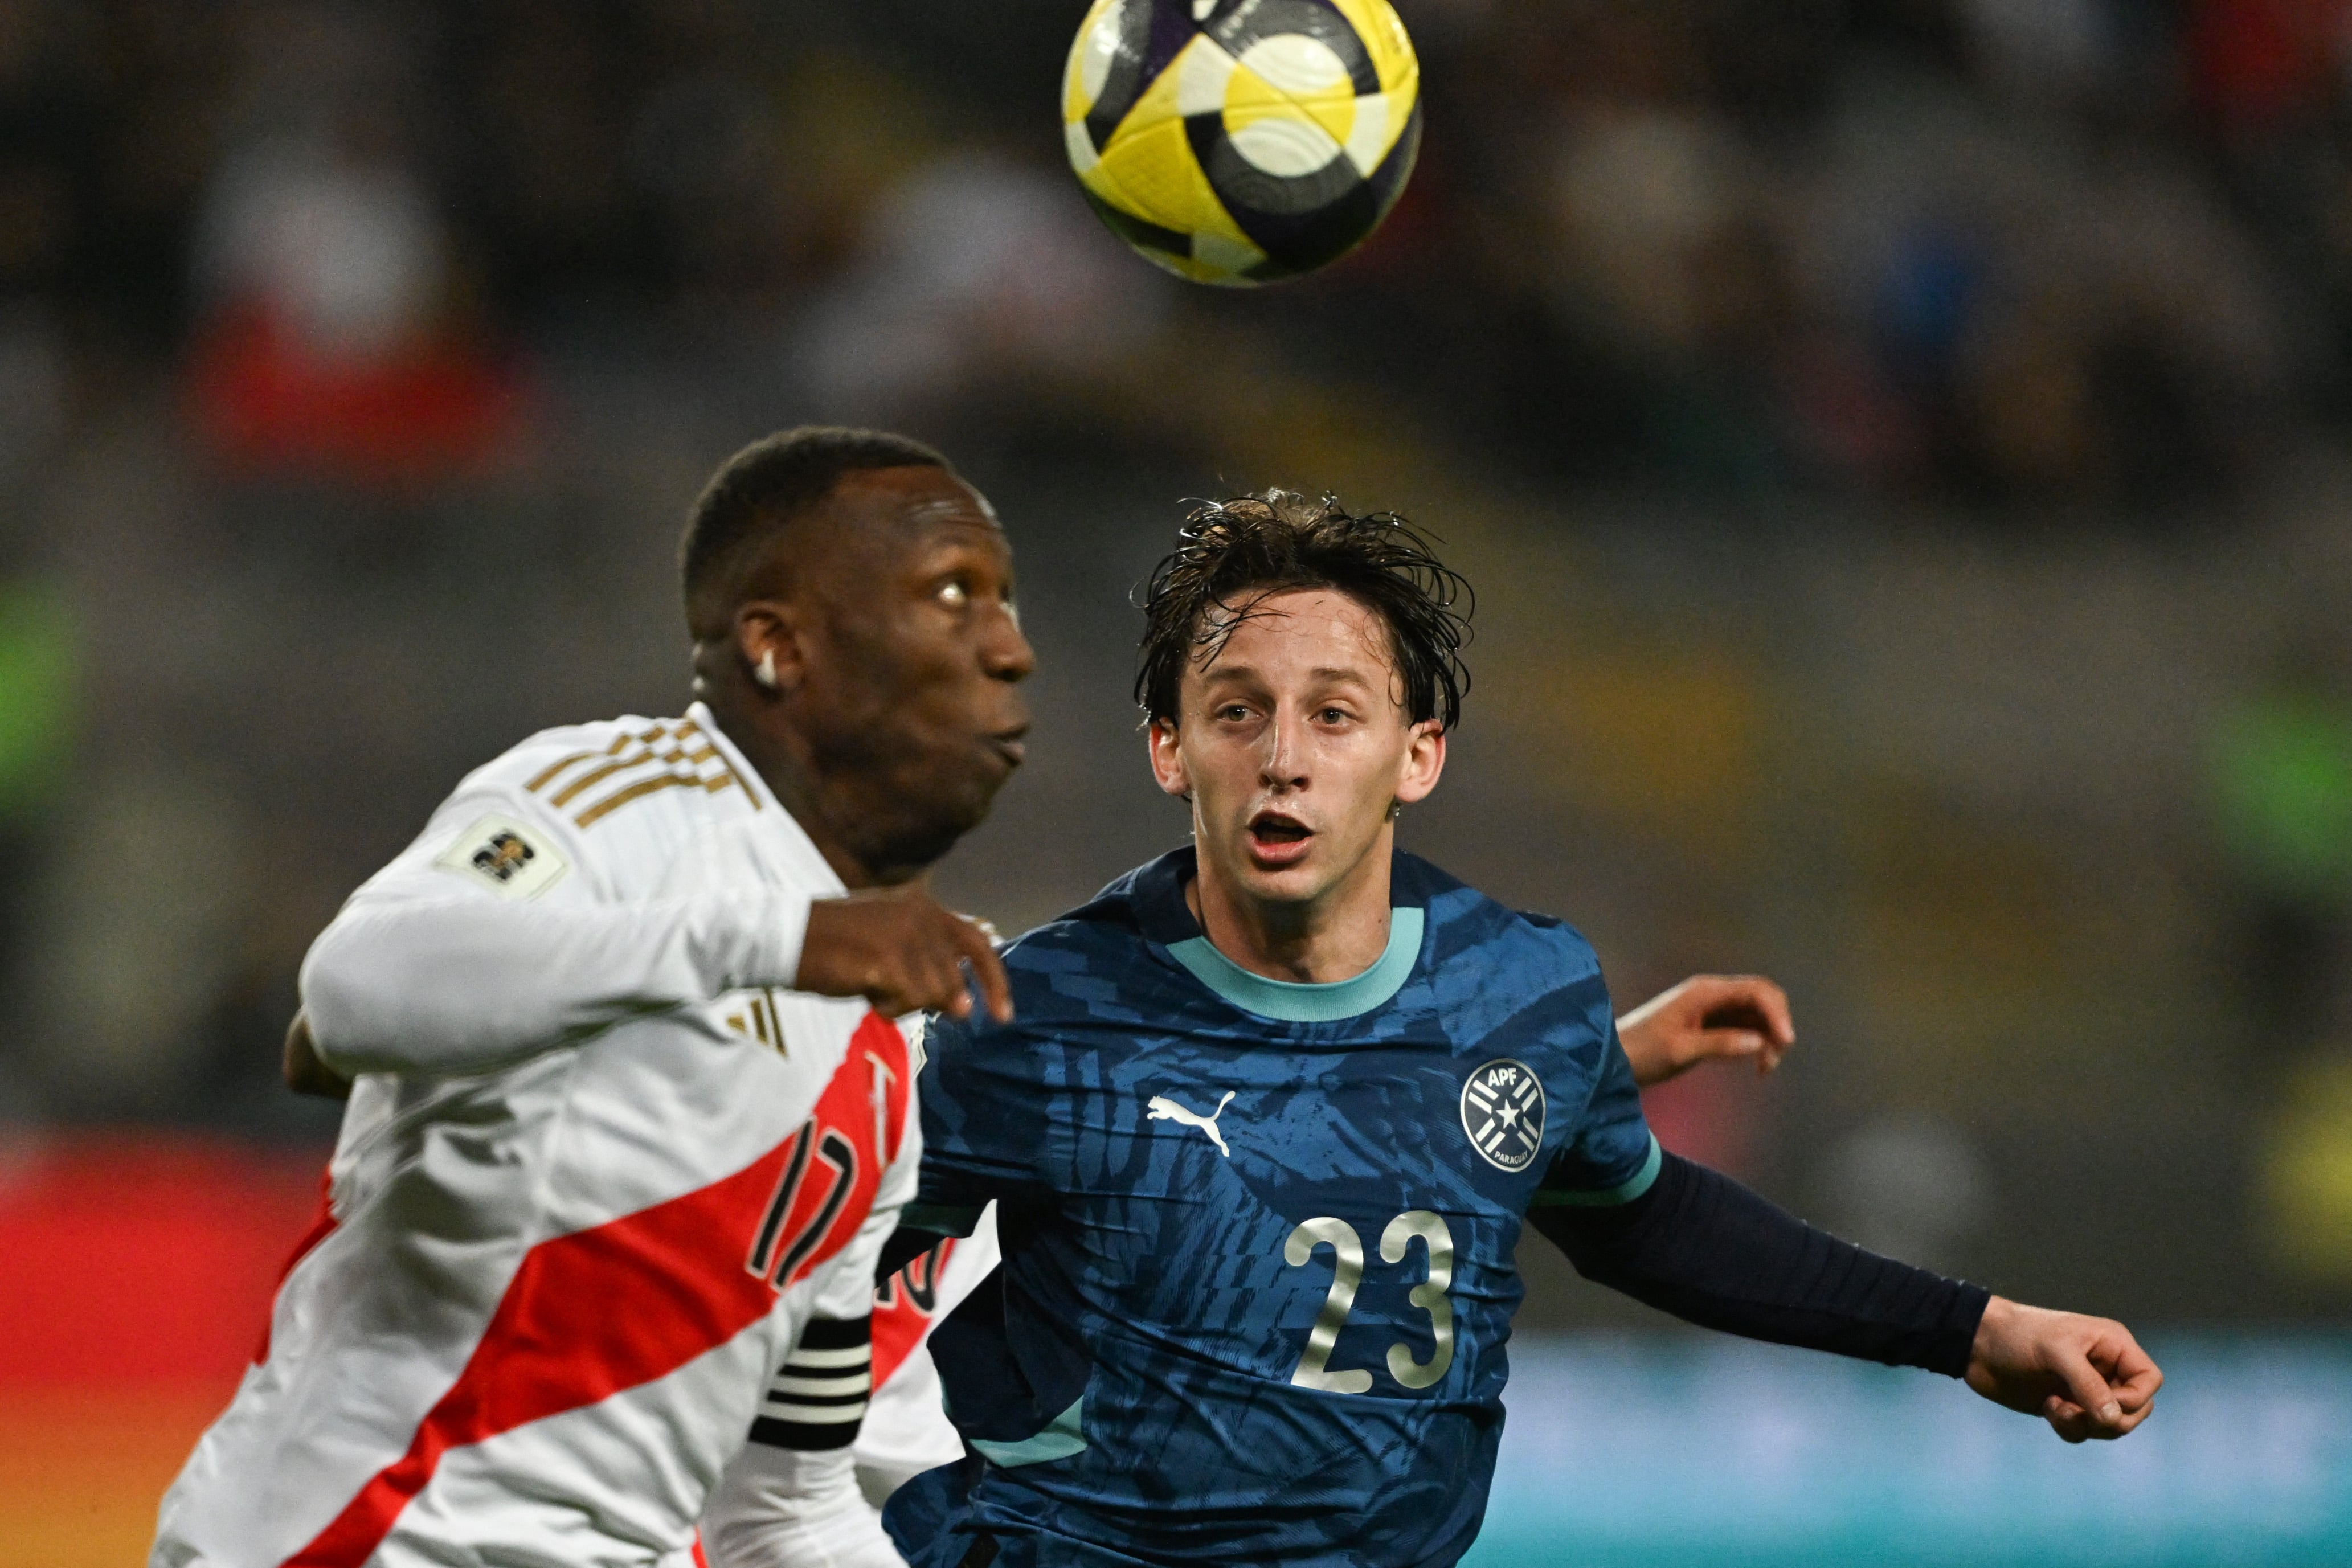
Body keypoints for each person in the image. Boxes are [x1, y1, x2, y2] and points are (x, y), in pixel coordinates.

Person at [878, 492, 2163, 1568]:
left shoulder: (1522, 991)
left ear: (1416, 753)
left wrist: (1973, 1328)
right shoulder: (1036, 1015)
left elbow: (1641, 1220)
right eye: (1234, 711)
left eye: (1333, 713)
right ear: (1169, 749)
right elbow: (831, 1258)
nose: (1283, 757)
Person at [152, 427, 1033, 1568]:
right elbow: (356, 987)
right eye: (952, 595)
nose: (1009, 648)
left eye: (1006, 603)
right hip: (371, 1537)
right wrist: (776, 939)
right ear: (779, 646)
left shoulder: (883, 1066)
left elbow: (786, 1508)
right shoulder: (631, 804)